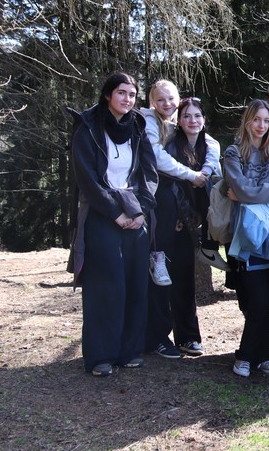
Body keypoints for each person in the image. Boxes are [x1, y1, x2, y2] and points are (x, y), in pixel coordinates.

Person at [67, 72, 158, 377]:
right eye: (121, 93)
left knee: (135, 284)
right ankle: (100, 356)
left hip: (136, 213)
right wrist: (113, 213)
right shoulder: (87, 128)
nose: (127, 99)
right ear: (108, 94)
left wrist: (142, 210)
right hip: (101, 214)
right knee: (106, 286)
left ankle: (129, 351)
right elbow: (87, 178)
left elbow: (149, 173)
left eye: (132, 94)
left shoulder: (138, 127)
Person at [224, 99, 269, 378]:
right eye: (256, 119)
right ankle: (244, 356)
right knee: (255, 301)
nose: (261, 125)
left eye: (266, 120)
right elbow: (242, 189)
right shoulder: (233, 153)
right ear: (247, 121)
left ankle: (263, 357)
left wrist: (251, 194)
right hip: (243, 236)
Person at [150, 96, 220, 359]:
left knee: (184, 280)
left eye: (197, 116)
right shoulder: (169, 145)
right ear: (178, 121)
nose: (192, 121)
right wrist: (180, 215)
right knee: (161, 280)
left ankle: (189, 337)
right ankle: (159, 338)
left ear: (204, 119)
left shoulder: (209, 145)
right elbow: (167, 182)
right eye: (186, 116)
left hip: (190, 224)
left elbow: (210, 182)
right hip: (168, 220)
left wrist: (195, 217)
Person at [141, 80, 223, 271]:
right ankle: (157, 256)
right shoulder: (150, 120)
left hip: (178, 186)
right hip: (151, 183)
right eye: (160, 100)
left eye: (171, 98)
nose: (167, 103)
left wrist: (204, 172)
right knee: (167, 197)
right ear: (152, 102)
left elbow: (210, 141)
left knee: (215, 183)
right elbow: (157, 157)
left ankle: (209, 245)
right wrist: (192, 175)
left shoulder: (174, 122)